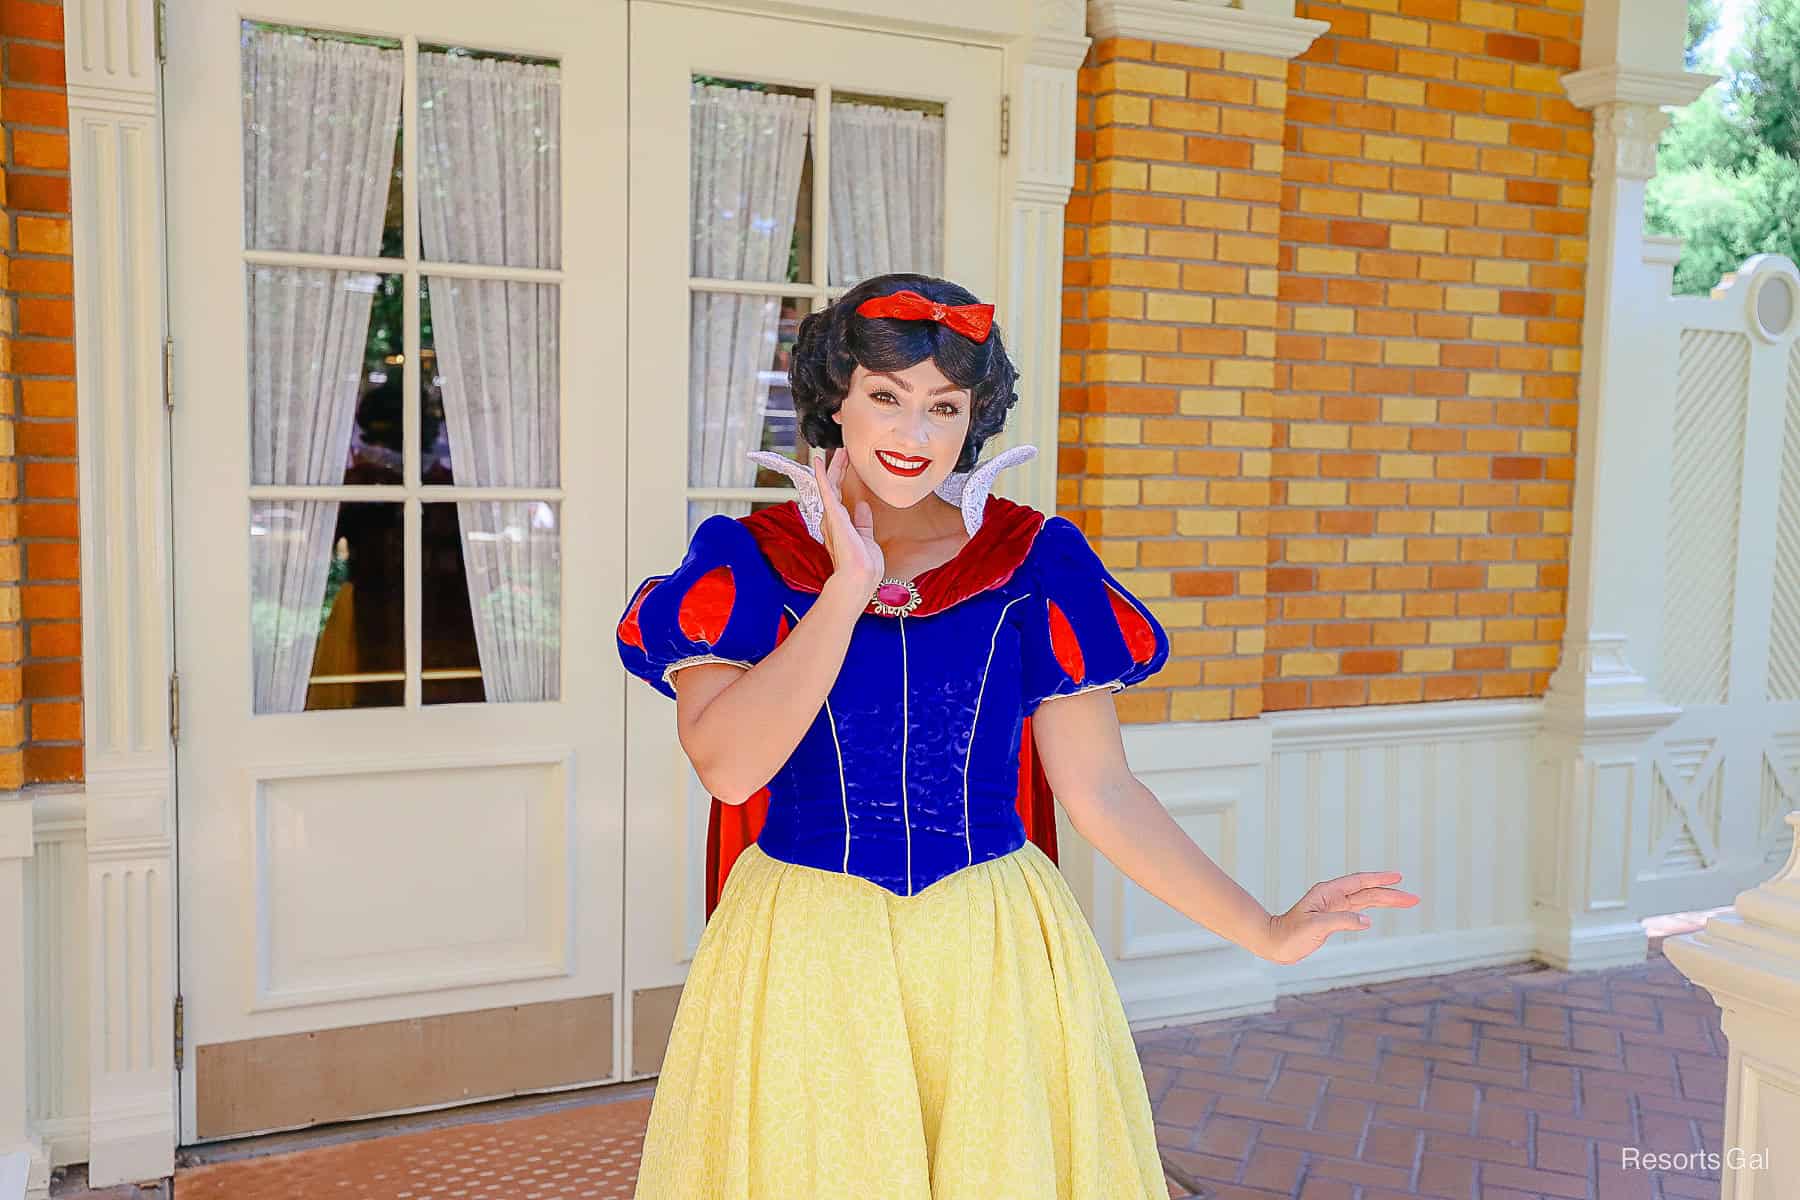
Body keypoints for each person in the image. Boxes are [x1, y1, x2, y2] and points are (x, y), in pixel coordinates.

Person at [615, 273, 1420, 1199]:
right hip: (808, 944)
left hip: (990, 944)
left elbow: (1102, 793)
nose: (915, 435)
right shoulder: (747, 562)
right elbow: (729, 767)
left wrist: (1267, 930)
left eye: (943, 407)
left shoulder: (1033, 562)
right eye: (887, 397)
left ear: (973, 422)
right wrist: (846, 584)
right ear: (836, 404)